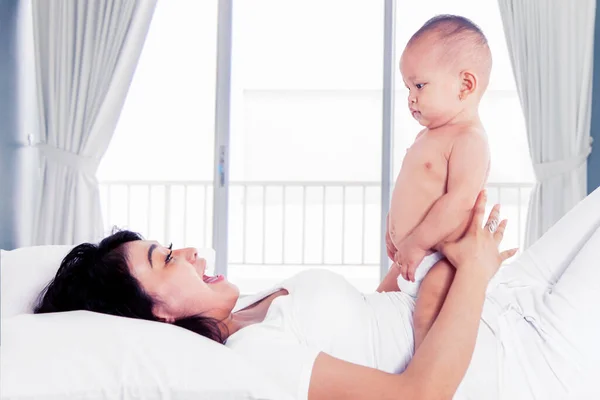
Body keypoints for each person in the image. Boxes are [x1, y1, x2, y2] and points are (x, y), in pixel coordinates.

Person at [35, 191, 514, 399]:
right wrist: (473, 270)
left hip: (494, 312)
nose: (190, 252)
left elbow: (369, 329)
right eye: (165, 259)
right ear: (157, 316)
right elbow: (420, 396)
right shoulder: (253, 357)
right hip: (505, 362)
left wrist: (407, 260)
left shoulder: (244, 312)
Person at [382, 15, 493, 312]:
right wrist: (392, 226)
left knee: (428, 312)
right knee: (374, 305)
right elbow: (412, 186)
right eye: (407, 88)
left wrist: (417, 242)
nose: (411, 98)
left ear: (465, 85)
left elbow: (459, 201)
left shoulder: (469, 139)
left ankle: (430, 358)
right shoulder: (427, 135)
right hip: (410, 255)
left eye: (419, 85)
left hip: (437, 260)